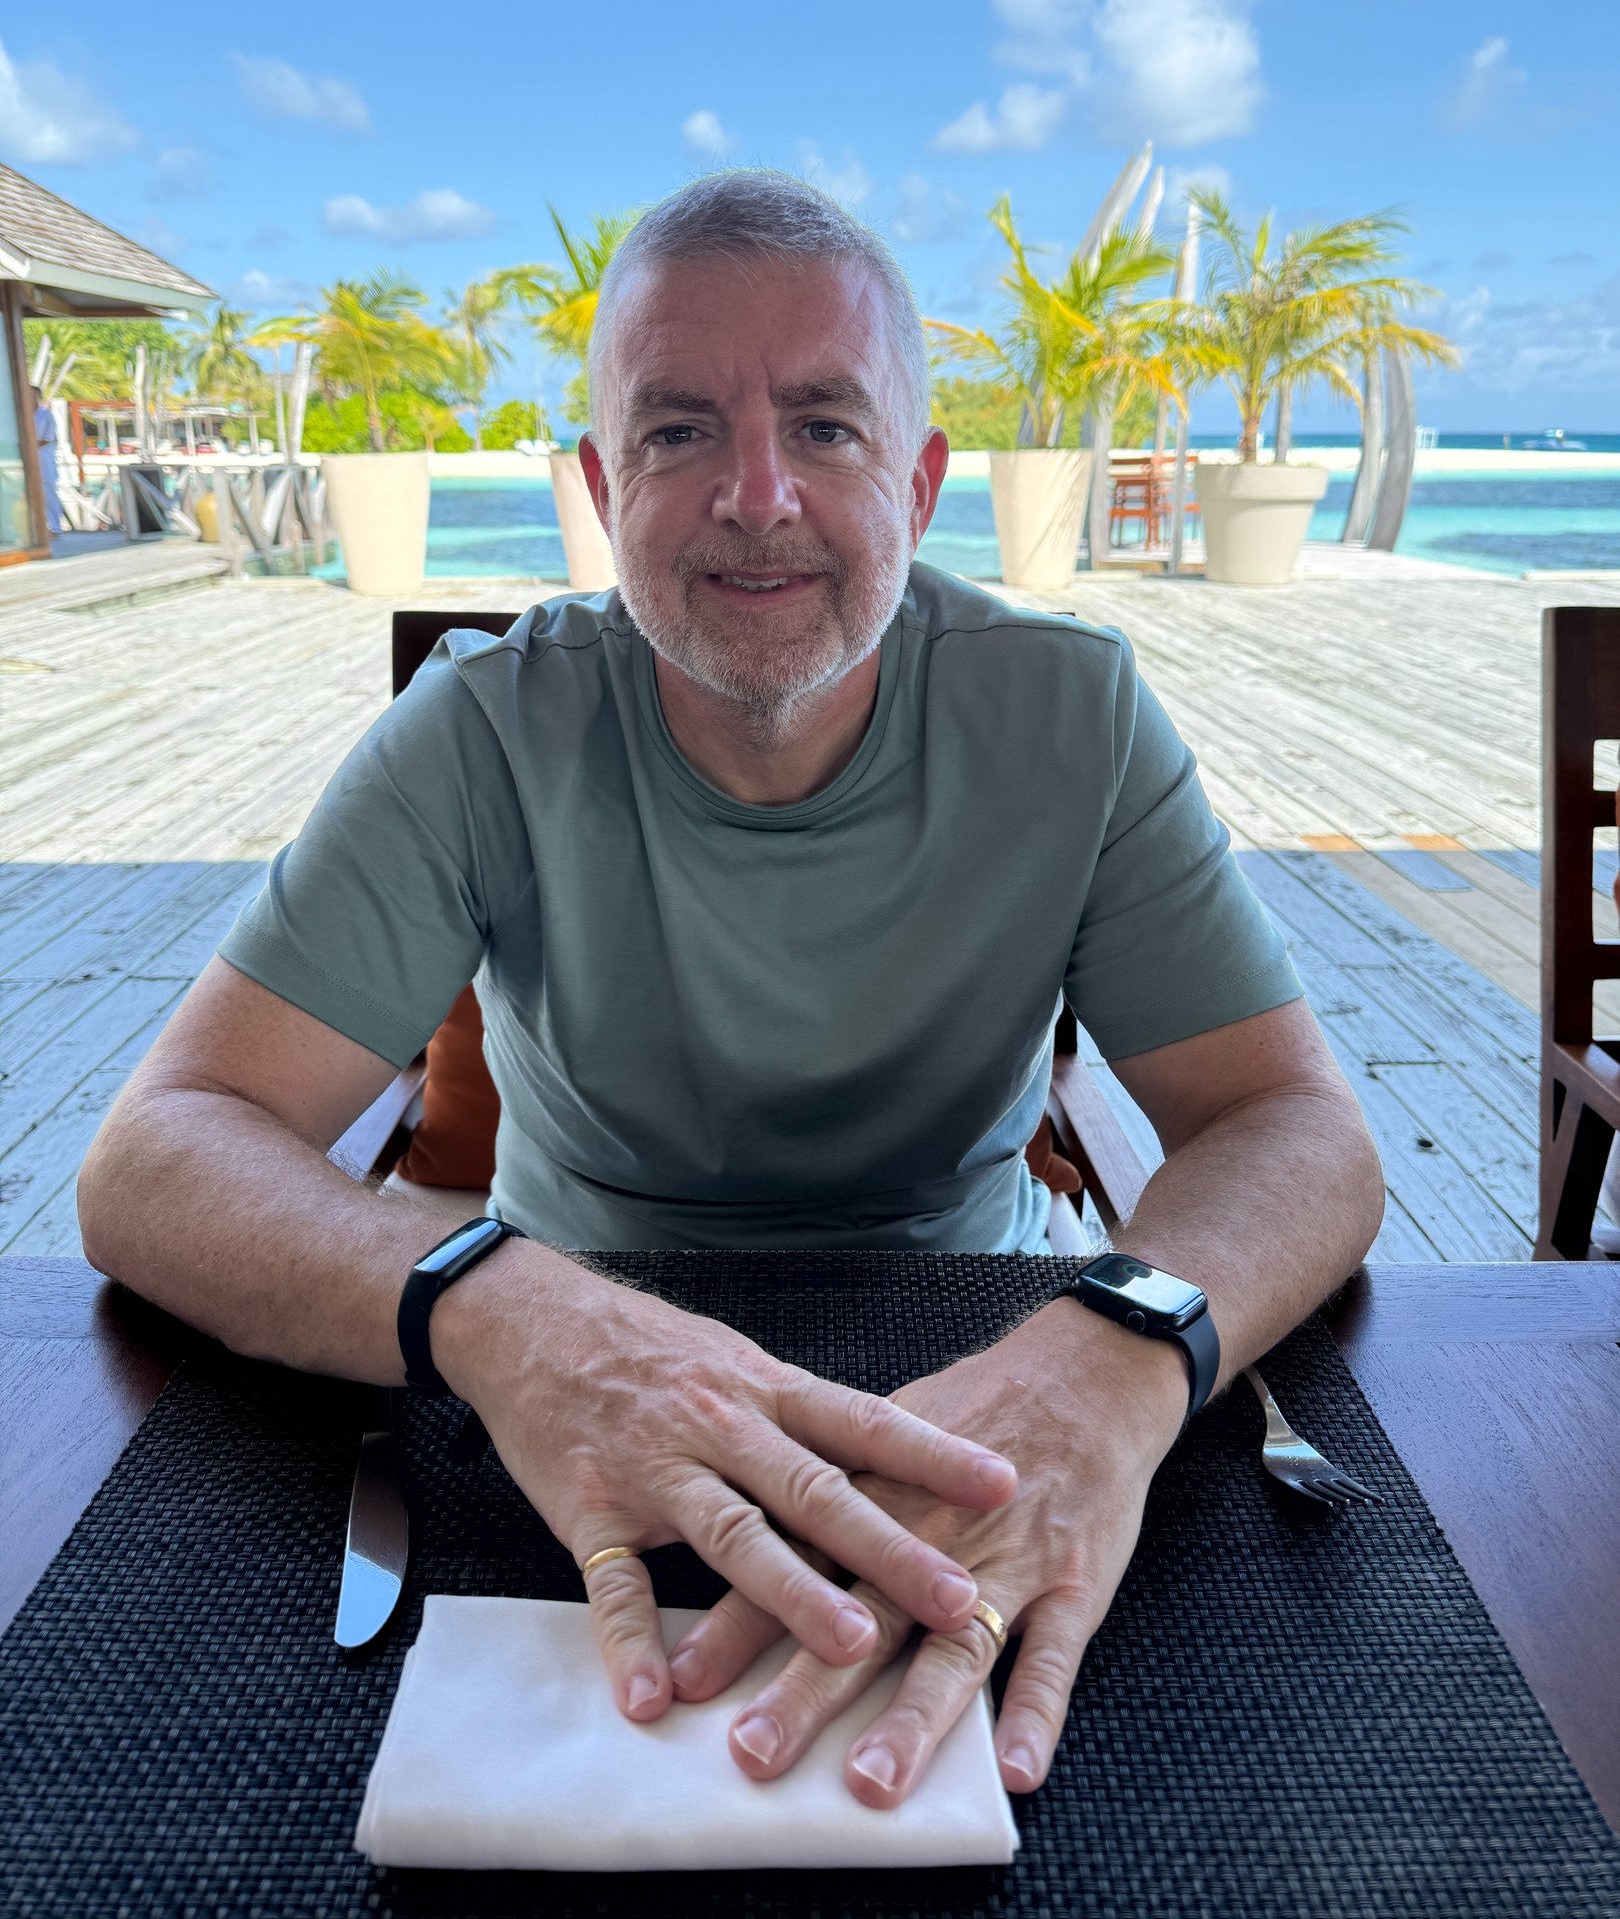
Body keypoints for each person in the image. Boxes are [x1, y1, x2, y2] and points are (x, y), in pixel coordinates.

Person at [79, 171, 1383, 1815]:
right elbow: (154, 1155)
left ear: (919, 483)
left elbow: (1296, 1128)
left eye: (827, 429)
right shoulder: (484, 730)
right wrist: (492, 1304)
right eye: (681, 431)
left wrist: (1117, 1348)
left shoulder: (1074, 717)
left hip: (981, 1369)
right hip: (550, 1387)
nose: (757, 496)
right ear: (597, 486)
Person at [31, 386, 64, 537]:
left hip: (44, 461)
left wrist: (28, 446)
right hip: (28, 462)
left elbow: (48, 438)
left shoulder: (46, 415)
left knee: (48, 494)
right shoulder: (22, 414)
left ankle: (55, 527)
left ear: (38, 396)